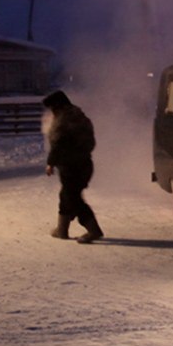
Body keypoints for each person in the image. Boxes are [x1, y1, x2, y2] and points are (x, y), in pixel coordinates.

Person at [42, 90, 103, 244]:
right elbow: (91, 142)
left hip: (71, 167)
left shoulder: (63, 120)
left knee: (73, 198)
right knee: (67, 195)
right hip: (84, 165)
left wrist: (51, 163)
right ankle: (62, 229)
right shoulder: (80, 117)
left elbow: (58, 143)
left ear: (57, 106)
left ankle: (93, 230)